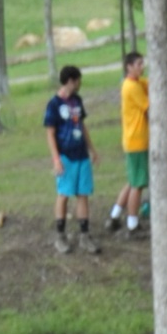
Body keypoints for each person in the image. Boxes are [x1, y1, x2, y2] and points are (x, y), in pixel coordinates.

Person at [43, 65, 100, 257]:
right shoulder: (54, 104)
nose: (80, 84)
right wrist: (56, 159)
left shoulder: (77, 101)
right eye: (78, 80)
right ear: (71, 81)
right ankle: (60, 236)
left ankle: (85, 236)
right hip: (65, 156)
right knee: (64, 195)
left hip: (81, 155)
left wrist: (92, 149)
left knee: (83, 194)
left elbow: (82, 126)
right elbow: (50, 134)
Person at [106, 51, 149, 238]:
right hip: (137, 141)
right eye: (138, 64)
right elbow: (150, 105)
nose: (142, 67)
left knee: (132, 181)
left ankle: (114, 216)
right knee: (138, 185)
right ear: (129, 67)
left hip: (133, 140)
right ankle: (132, 224)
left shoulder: (136, 82)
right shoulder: (131, 87)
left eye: (142, 63)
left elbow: (151, 83)